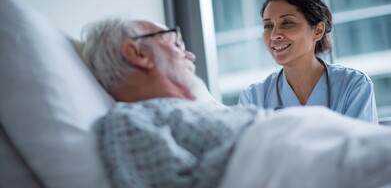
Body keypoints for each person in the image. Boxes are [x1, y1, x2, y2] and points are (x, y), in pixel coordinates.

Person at [81, 18, 391, 188]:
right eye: (174, 40)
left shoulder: (199, 112)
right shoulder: (130, 121)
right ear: (139, 54)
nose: (189, 55)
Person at [238, 0, 378, 123]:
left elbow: (362, 144)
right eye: (268, 26)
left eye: (287, 23)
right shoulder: (253, 97)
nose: (274, 35)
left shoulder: (353, 85)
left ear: (318, 31)